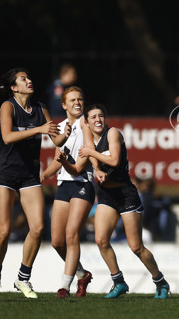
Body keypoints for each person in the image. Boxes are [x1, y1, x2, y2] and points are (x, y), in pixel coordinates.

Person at [73, 104, 170, 299]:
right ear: (87, 122)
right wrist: (97, 170)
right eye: (93, 117)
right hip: (107, 196)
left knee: (136, 247)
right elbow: (92, 157)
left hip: (126, 195)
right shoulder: (90, 138)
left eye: (101, 116)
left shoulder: (113, 133)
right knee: (101, 240)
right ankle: (119, 282)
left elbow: (115, 160)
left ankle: (161, 282)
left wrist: (91, 154)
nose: (98, 120)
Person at [0, 68, 65, 299]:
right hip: (4, 173)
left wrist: (69, 130)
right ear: (13, 87)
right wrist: (38, 129)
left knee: (38, 228)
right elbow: (8, 136)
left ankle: (22, 278)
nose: (29, 81)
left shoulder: (41, 107)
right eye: (23, 79)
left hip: (29, 174)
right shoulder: (8, 106)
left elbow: (56, 137)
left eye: (29, 78)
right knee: (3, 231)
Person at [41, 86, 94, 298]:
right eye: (72, 100)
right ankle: (82, 274)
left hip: (83, 183)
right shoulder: (62, 126)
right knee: (56, 242)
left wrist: (65, 164)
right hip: (64, 185)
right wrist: (43, 176)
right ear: (63, 105)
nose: (77, 103)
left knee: (72, 235)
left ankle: (64, 286)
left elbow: (79, 167)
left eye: (80, 99)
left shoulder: (85, 123)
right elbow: (58, 159)